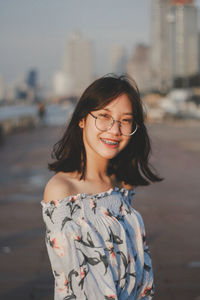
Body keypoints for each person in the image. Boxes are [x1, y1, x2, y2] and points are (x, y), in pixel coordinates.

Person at [41, 74, 162, 300]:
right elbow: (81, 285)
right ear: (82, 119)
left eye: (125, 120)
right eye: (104, 116)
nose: (115, 130)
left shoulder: (120, 185)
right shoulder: (62, 191)